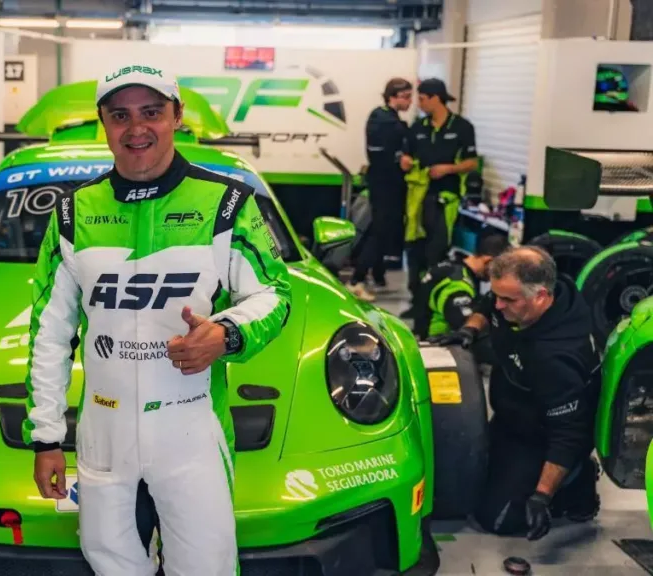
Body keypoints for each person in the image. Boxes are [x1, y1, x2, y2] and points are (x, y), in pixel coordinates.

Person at [23, 63, 292, 576]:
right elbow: (50, 335)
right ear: (103, 123)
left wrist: (227, 334)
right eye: (120, 115)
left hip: (191, 425)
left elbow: (276, 295)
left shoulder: (227, 203)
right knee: (110, 564)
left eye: (152, 112)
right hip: (103, 428)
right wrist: (46, 438)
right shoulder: (72, 212)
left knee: (207, 567)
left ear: (177, 116)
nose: (136, 128)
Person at [430, 246, 602, 541]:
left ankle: (577, 482)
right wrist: (469, 330)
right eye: (497, 294)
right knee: (456, 484)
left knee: (497, 519)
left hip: (543, 436)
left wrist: (542, 497)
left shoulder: (556, 357)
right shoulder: (525, 295)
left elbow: (569, 434)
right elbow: (486, 305)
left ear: (541, 297)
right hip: (513, 414)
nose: (498, 305)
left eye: (507, 299)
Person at [401, 78, 479, 318]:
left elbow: (472, 162)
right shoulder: (418, 127)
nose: (419, 103)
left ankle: (432, 301)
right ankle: (416, 302)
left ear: (436, 98)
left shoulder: (463, 127)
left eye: (423, 98)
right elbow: (406, 154)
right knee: (414, 250)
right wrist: (404, 160)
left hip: (445, 199)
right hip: (417, 199)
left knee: (435, 252)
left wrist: (448, 169)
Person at [348, 77, 413, 302]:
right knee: (380, 231)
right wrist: (400, 159)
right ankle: (356, 280)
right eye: (406, 97)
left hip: (388, 184)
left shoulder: (389, 118)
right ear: (392, 96)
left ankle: (377, 274)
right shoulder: (382, 119)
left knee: (382, 229)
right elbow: (380, 152)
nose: (410, 101)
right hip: (385, 184)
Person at [412, 233, 509, 341]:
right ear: (489, 261)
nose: (499, 274)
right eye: (499, 269)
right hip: (440, 344)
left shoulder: (451, 265)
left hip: (423, 333)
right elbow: (465, 325)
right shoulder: (458, 285)